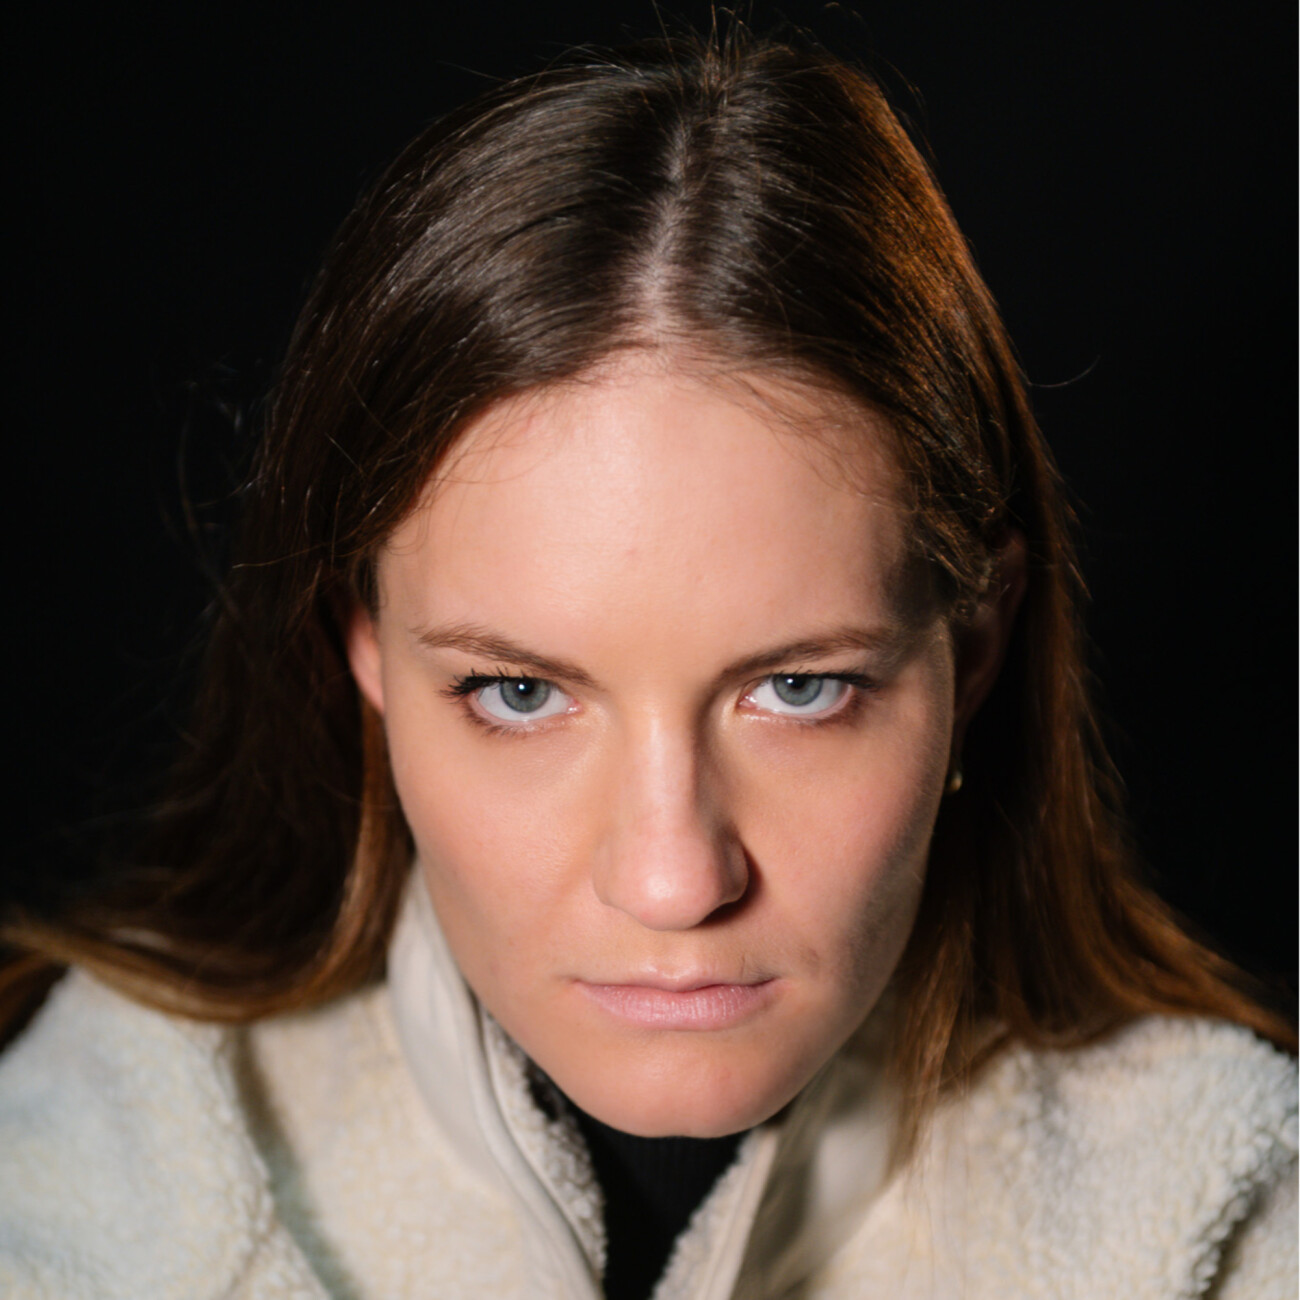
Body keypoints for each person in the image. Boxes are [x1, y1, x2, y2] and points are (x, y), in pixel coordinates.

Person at [0, 28, 1293, 1300]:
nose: (674, 883)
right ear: (366, 654)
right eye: (520, 694)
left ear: (977, 646)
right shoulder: (68, 1208)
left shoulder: (1229, 1228)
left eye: (799, 690)